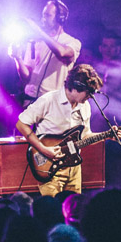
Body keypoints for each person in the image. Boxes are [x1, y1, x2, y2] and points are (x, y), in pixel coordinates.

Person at [16, 64, 106, 195]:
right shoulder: (49, 100)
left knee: (74, 209)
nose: (91, 97)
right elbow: (21, 124)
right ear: (75, 88)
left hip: (74, 168)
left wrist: (107, 136)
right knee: (51, 212)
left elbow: (85, 137)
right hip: (50, 167)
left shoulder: (84, 106)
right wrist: (43, 149)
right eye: (88, 92)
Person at [11, 0, 82, 102]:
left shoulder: (72, 42)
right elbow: (26, 78)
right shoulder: (35, 41)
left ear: (60, 18)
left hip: (52, 105)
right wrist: (17, 59)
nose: (43, 19)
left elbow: (62, 52)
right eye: (43, 15)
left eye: (47, 15)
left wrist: (39, 31)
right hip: (29, 102)